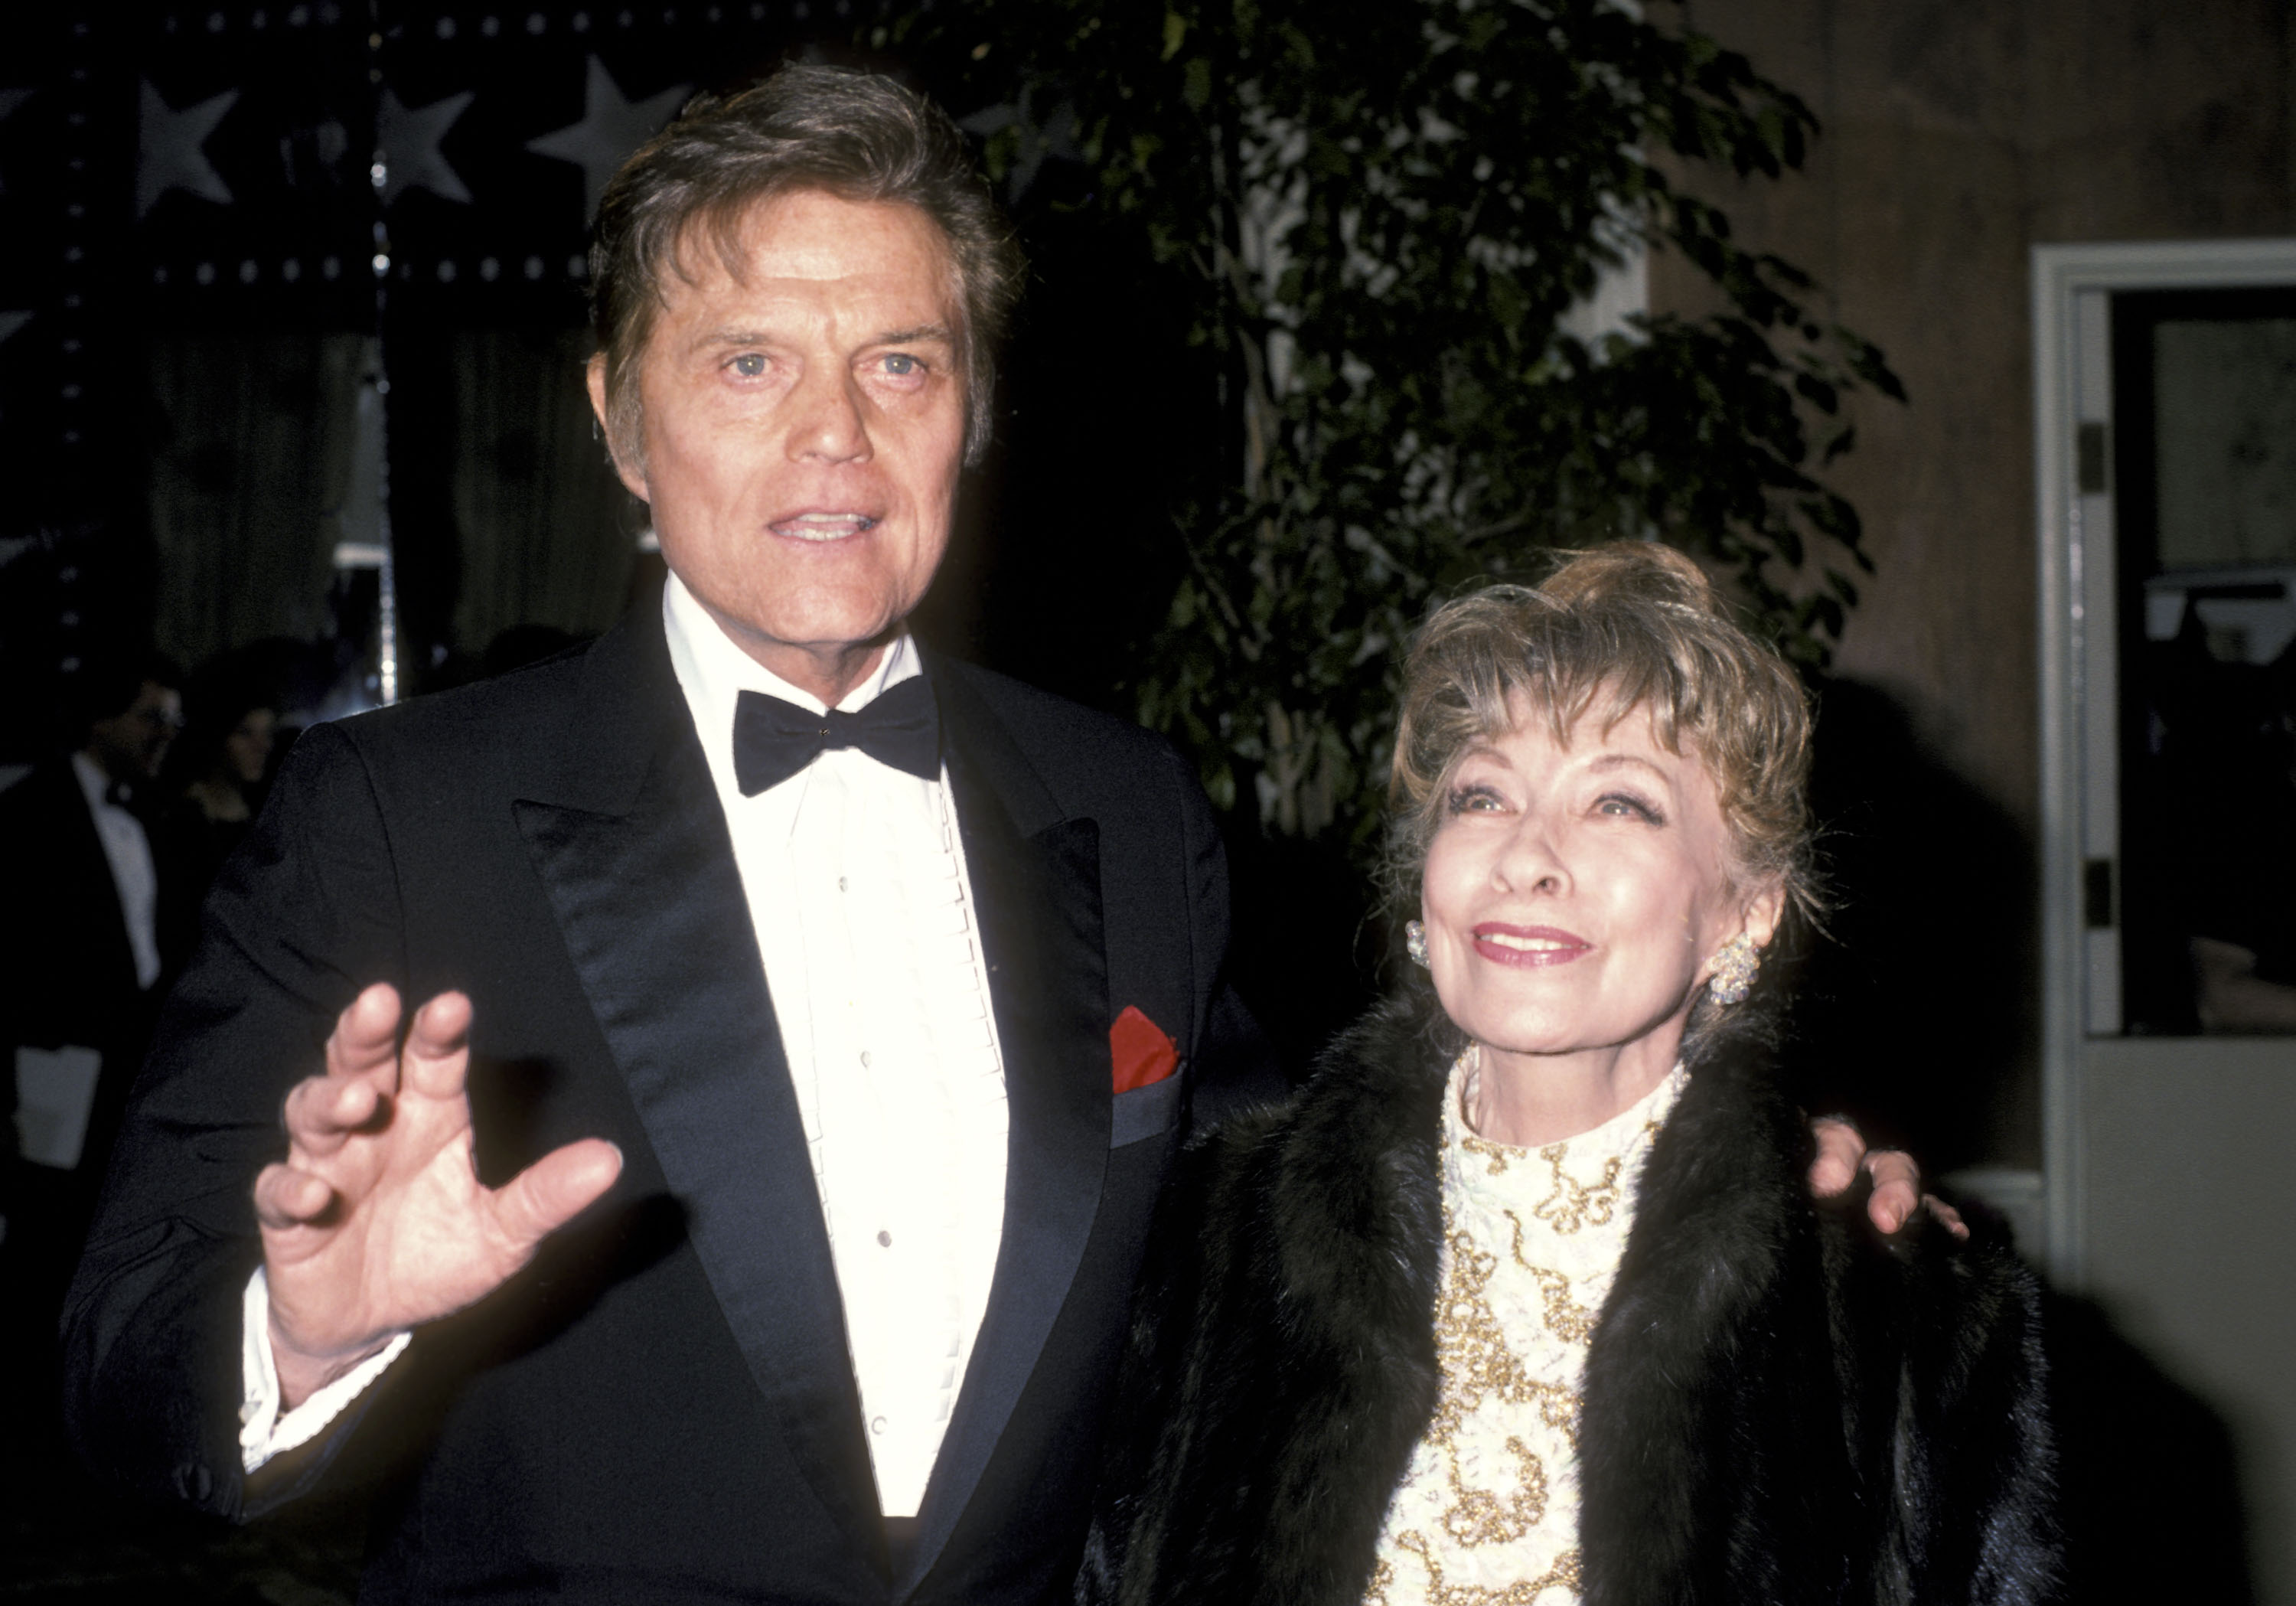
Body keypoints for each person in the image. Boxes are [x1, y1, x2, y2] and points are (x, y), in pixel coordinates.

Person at [63, 70, 1923, 1606]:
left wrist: (1693, 1163)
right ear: (619, 422)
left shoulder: (1120, 803)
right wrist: (299, 1327)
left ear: (971, 411)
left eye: (899, 363)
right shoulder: (396, 813)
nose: (834, 442)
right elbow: (118, 1369)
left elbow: (1291, 1220)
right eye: (741, 365)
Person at [1078, 545, 2055, 1605]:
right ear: (1425, 887)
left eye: (1619, 803)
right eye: (1484, 795)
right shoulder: (1210, 1244)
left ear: (1747, 911)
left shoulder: (1902, 1317)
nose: (1528, 855)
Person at [2, 652, 182, 1285]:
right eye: (150, 717)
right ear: (100, 721)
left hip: (137, 1076)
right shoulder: (28, 814)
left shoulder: (155, 813)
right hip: (56, 1073)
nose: (165, 732)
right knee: (47, 1251)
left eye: (173, 720)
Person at [155, 663, 280, 973]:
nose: (261, 747)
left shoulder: (266, 813)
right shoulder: (182, 821)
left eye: (267, 734)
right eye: (245, 733)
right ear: (218, 736)